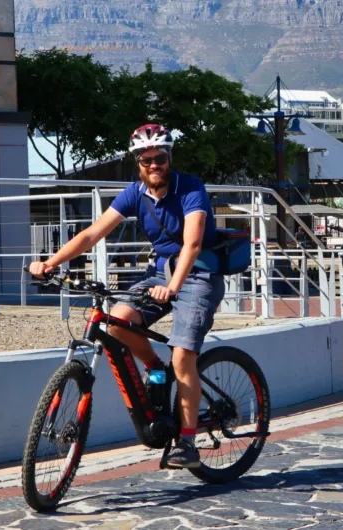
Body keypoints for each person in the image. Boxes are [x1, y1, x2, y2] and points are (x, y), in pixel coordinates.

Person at [29, 124, 224, 469]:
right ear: (138, 163)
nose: (153, 165)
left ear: (169, 158)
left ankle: (188, 442)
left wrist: (175, 287)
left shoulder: (190, 188)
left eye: (159, 158)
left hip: (197, 275)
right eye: (146, 160)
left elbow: (193, 243)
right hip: (159, 275)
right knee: (117, 321)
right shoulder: (135, 193)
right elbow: (92, 234)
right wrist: (50, 262)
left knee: (182, 356)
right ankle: (154, 368)